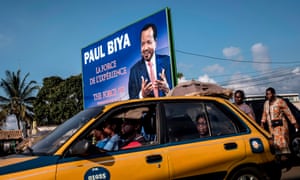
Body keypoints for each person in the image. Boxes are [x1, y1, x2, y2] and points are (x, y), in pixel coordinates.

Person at [128, 23, 172, 99]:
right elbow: (131, 100)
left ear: (155, 42)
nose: (145, 48)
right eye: (142, 44)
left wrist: (167, 90)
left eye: (149, 42)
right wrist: (142, 95)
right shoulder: (134, 71)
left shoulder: (168, 62)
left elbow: (177, 92)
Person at [261, 87, 299, 160]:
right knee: (275, 144)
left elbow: (288, 113)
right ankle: (280, 160)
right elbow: (264, 114)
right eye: (266, 94)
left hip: (281, 127)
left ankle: (285, 159)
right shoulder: (266, 103)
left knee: (281, 143)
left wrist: (294, 123)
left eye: (269, 94)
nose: (267, 96)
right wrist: (262, 122)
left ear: (273, 94)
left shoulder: (280, 102)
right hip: (271, 127)